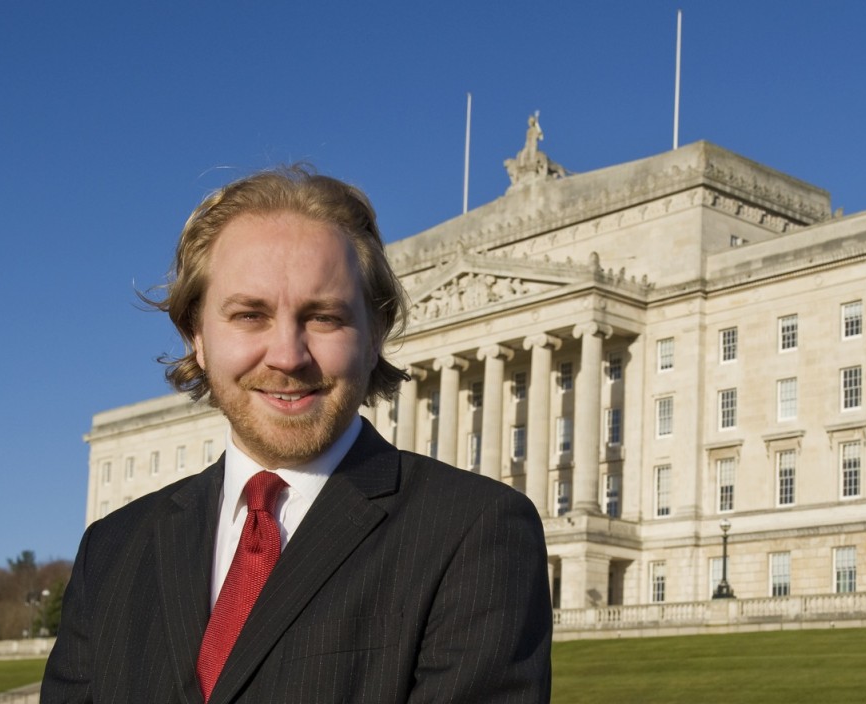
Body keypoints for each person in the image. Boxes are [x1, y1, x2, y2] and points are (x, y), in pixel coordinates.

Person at [42, 166, 553, 703]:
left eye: (324, 317)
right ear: (197, 335)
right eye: (249, 315)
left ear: (375, 335)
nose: (287, 355)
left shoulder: (475, 531)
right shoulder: (114, 548)